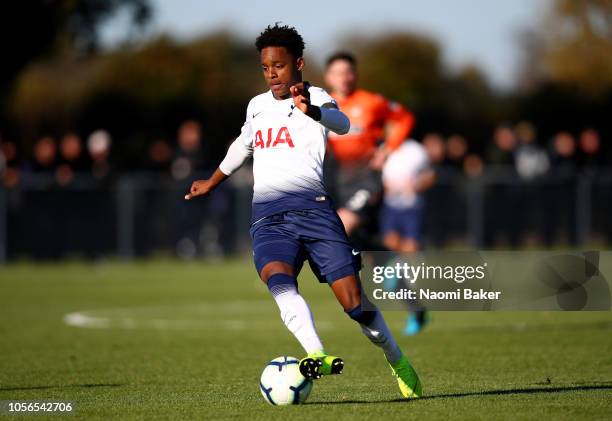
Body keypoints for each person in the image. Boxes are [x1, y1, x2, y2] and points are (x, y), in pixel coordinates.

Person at [185, 23, 421, 398]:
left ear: (298, 63)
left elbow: (343, 124)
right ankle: (316, 353)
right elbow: (241, 146)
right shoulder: (257, 106)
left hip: (315, 213)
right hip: (267, 217)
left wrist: (312, 111)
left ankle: (397, 360)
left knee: (355, 306)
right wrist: (212, 180)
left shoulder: (317, 96)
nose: (271, 74)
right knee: (277, 280)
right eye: (265, 67)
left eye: (277, 66)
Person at [323, 52, 416, 238]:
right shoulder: (321, 105)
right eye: (337, 73)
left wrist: (388, 150)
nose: (343, 78)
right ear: (328, 77)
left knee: (340, 227)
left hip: (367, 180)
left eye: (347, 72)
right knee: (360, 242)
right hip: (335, 181)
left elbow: (404, 118)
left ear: (355, 75)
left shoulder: (371, 101)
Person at [381, 138, 435, 335]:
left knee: (411, 247)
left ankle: (415, 303)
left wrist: (417, 185)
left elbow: (430, 175)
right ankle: (398, 274)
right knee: (389, 243)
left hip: (411, 207)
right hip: (391, 206)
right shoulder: (385, 146)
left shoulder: (416, 150)